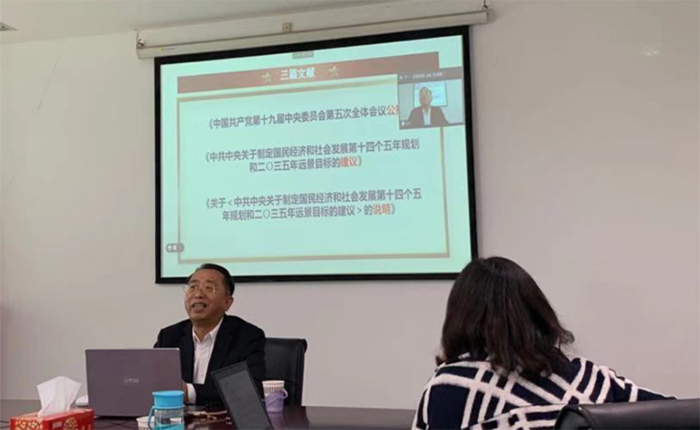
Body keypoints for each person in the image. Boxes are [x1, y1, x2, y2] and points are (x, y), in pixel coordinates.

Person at [413, 257, 670, 430]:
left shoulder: (450, 386)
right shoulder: (592, 379)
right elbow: (678, 415)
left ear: (461, 318)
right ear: (537, 313)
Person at [154, 263, 266, 406]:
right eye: (192, 287)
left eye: (208, 288)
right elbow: (152, 381)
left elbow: (249, 389)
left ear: (227, 302)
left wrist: (189, 392)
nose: (198, 294)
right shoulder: (169, 336)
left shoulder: (247, 336)